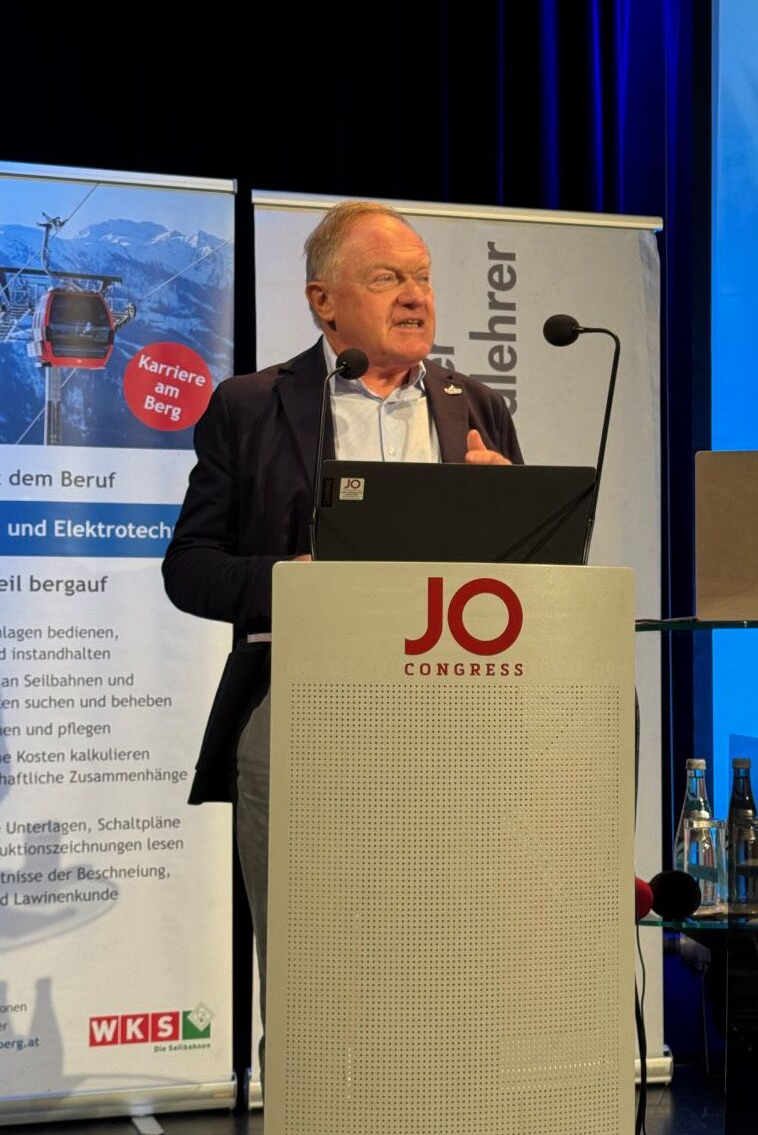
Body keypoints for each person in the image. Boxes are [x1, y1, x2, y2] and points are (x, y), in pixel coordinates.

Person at [162, 200, 522, 1057]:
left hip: (456, 716)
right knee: (318, 973)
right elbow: (190, 568)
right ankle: (317, 1107)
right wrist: (297, 584)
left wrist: (509, 512)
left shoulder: (476, 407)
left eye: (423, 277)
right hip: (304, 709)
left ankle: (444, 1107)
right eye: (388, 277)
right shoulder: (252, 406)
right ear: (323, 301)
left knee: (447, 961)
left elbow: (520, 584)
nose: (416, 295)